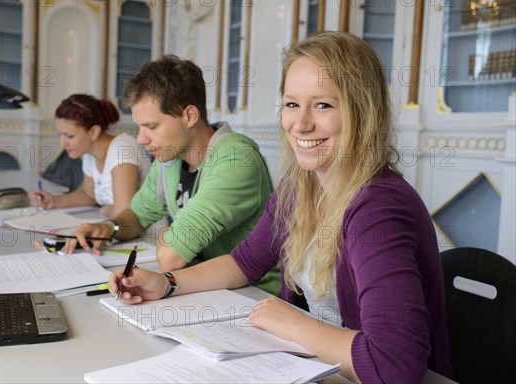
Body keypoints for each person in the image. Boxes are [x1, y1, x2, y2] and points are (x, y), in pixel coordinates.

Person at [105, 32, 454, 382]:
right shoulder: (301, 184)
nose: (300, 124)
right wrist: (165, 283)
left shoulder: (377, 207)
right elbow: (245, 263)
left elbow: (394, 366)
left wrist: (296, 325)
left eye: (323, 105)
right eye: (291, 104)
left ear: (362, 112)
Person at [66, 56, 280, 296]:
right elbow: (137, 215)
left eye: (152, 126)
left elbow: (170, 256)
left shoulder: (236, 158)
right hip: (198, 287)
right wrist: (109, 228)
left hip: (253, 296)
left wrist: (171, 239)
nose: (140, 139)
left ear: (189, 116)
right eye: (139, 127)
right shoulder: (169, 158)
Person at [33, 94, 151, 219]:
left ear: (93, 132)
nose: (63, 143)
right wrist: (54, 201)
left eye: (70, 136)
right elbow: (89, 196)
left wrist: (104, 210)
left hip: (148, 235)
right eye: (60, 135)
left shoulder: (122, 149)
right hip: (116, 229)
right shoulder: (89, 155)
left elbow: (124, 213)